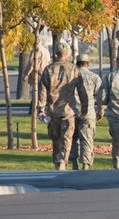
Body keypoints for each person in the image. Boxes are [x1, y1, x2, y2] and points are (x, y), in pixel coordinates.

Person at [38, 42, 89, 170]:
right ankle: (62, 160)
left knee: (56, 139)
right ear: (67, 54)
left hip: (52, 111)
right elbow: (81, 90)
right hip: (68, 110)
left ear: (56, 53)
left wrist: (41, 108)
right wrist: (84, 107)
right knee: (67, 138)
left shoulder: (48, 70)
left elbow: (42, 90)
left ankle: (57, 161)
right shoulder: (73, 69)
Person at [70, 54, 103, 170]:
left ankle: (74, 163)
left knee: (72, 139)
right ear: (87, 64)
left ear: (76, 63)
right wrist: (101, 111)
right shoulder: (94, 77)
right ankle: (85, 165)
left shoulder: (70, 77)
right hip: (88, 113)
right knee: (87, 140)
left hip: (72, 112)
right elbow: (99, 97)